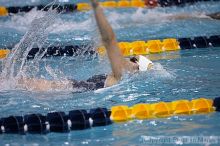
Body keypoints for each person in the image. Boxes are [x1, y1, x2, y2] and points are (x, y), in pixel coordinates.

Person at [16, 0, 153, 92]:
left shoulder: (120, 76)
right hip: (65, 88)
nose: (129, 58)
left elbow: (109, 40)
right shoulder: (119, 79)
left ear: (136, 68)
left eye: (134, 59)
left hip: (61, 90)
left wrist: (96, 7)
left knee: (16, 83)